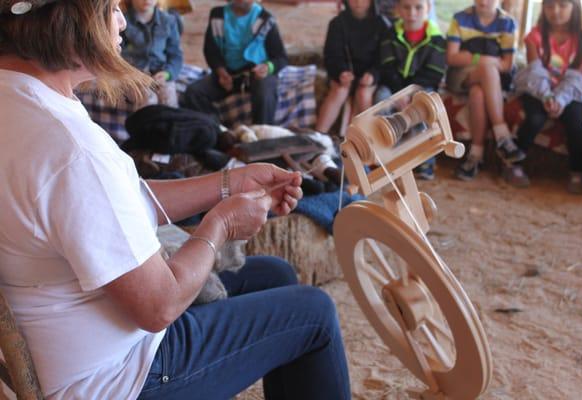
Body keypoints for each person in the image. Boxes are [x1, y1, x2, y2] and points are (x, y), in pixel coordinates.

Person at [0, 1, 351, 399]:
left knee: (273, 275)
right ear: (67, 21)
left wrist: (228, 183)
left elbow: (118, 201)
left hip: (72, 344)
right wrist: (219, 226)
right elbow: (158, 307)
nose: (122, 21)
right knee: (314, 313)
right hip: (117, 376)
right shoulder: (71, 150)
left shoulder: (16, 98)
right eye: (112, 7)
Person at [506, 0, 582, 193]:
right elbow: (535, 72)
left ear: (574, 7)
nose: (556, 11)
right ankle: (513, 164)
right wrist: (547, 98)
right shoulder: (534, 36)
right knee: (534, 119)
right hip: (538, 88)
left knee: (577, 123)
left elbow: (576, 75)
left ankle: (577, 172)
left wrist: (559, 99)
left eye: (563, 5)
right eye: (550, 6)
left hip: (570, 91)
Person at [446, 0, 524, 181]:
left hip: (493, 80)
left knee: (478, 93)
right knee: (488, 69)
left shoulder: (507, 23)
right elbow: (452, 58)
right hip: (461, 76)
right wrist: (483, 60)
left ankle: (476, 154)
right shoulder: (460, 18)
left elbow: (507, 64)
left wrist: (469, 57)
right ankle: (503, 137)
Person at [181, 0, 287, 125]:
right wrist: (221, 72)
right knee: (194, 92)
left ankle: (261, 137)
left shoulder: (265, 19)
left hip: (256, 73)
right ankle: (218, 130)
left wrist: (267, 67)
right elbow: (211, 51)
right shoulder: (218, 16)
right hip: (229, 74)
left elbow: (280, 57)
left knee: (264, 93)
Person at [378, 0, 446, 180]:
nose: (412, 13)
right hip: (394, 88)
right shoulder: (390, 34)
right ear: (398, 9)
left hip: (421, 88)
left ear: (428, 9)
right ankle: (386, 153)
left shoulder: (437, 39)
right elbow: (387, 66)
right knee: (381, 98)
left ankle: (425, 160)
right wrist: (399, 93)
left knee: (425, 106)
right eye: (406, 7)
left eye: (418, 7)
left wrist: (410, 94)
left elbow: (434, 72)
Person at [315, 0, 387, 135]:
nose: (359, 2)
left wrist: (372, 75)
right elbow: (331, 55)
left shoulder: (382, 25)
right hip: (345, 73)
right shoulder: (337, 23)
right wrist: (341, 72)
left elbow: (384, 60)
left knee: (363, 93)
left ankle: (368, 140)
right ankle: (318, 136)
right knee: (339, 91)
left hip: (369, 76)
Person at [120, 0, 183, 108]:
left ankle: (171, 124)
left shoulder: (169, 21)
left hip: (160, 72)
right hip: (134, 75)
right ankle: (146, 123)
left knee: (169, 96)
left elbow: (175, 55)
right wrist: (133, 74)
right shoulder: (123, 22)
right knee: (147, 98)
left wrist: (168, 73)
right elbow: (117, 55)